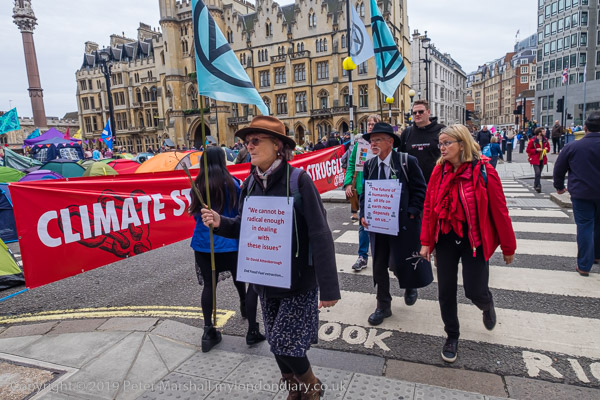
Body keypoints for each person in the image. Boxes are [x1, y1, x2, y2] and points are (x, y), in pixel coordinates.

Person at [201, 116, 340, 399]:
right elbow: (245, 227)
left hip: (297, 283)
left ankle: (312, 387)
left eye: (255, 141)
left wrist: (329, 288)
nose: (248, 147)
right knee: (278, 344)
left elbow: (320, 233)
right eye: (246, 142)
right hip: (265, 280)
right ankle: (294, 389)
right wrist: (220, 222)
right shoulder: (249, 184)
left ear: (277, 146)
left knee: (284, 343)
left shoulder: (299, 181)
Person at [419, 124, 516, 363]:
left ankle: (486, 304)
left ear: (461, 144)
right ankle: (452, 335)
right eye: (440, 143)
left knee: (474, 290)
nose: (442, 148)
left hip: (474, 240)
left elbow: (500, 210)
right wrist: (426, 242)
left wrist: (508, 247)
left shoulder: (484, 170)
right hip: (445, 238)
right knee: (446, 291)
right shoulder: (439, 171)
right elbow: (429, 207)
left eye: (447, 143)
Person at [189, 147, 264, 352]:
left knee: (209, 286)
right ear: (223, 161)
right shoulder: (234, 184)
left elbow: (196, 216)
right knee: (243, 281)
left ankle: (208, 331)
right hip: (231, 243)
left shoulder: (197, 186)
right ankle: (250, 324)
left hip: (204, 244)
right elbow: (240, 212)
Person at [360, 122, 432, 325]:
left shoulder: (406, 161)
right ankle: (383, 305)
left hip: (402, 223)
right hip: (378, 225)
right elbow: (365, 192)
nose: (373, 144)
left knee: (402, 261)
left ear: (390, 142)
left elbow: (420, 189)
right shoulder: (369, 165)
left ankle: (410, 285)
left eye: (377, 140)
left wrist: (412, 211)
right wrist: (364, 214)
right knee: (379, 266)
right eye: (371, 141)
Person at [554, 112, 600, 276]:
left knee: (585, 226)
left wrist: (559, 187)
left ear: (585, 128)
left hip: (582, 193)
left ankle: (584, 265)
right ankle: (597, 255)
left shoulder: (573, 147)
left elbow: (559, 168)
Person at [344, 115, 381, 271]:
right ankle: (362, 256)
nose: (370, 126)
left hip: (380, 191)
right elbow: (351, 164)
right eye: (369, 124)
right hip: (363, 188)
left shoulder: (385, 144)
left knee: (380, 225)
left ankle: (381, 257)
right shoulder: (360, 144)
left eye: (374, 124)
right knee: (363, 223)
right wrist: (348, 183)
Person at [399, 100, 445, 182]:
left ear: (428, 112)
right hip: (413, 184)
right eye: (414, 112)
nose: (417, 114)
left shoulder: (441, 130)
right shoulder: (406, 133)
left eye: (421, 112)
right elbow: (400, 157)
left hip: (437, 182)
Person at [526, 127, 550, 193]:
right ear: (539, 133)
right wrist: (536, 150)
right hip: (535, 159)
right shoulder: (533, 141)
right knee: (537, 172)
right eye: (543, 131)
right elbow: (528, 150)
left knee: (539, 173)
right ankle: (538, 186)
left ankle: (536, 184)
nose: (545, 132)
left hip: (542, 158)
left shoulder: (545, 140)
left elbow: (548, 149)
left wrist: (546, 149)